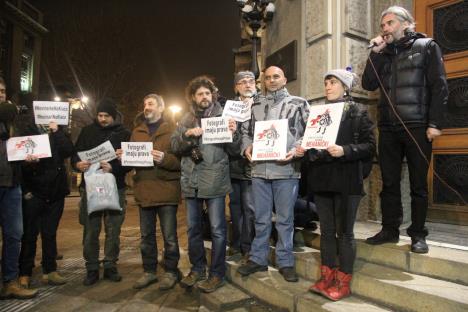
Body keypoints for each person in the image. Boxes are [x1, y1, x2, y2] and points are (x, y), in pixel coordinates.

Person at [362, 6, 448, 253]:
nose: (385, 29)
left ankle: (418, 234)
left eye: (389, 23)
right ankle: (390, 230)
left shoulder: (427, 46)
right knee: (389, 183)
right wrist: (376, 52)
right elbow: (368, 83)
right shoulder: (384, 53)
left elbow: (440, 87)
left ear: (406, 23)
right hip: (388, 128)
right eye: (382, 26)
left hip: (418, 126)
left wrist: (435, 123)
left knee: (418, 185)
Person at [299, 69, 375, 301]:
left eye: (333, 82)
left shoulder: (358, 113)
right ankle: (327, 276)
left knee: (345, 233)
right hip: (323, 180)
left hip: (347, 180)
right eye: (326, 83)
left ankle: (343, 281)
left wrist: (345, 150)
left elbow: (370, 146)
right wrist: (306, 149)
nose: (328, 87)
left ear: (345, 87)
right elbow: (312, 146)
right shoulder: (318, 113)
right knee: (327, 231)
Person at [237, 66, 310, 282]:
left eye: (276, 76)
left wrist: (297, 149)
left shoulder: (298, 103)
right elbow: (246, 132)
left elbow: (309, 132)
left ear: (284, 79)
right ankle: (258, 259)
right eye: (267, 77)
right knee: (260, 219)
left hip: (286, 170)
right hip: (259, 170)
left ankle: (285, 261)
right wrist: (246, 147)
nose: (272, 80)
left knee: (285, 220)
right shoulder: (256, 105)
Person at [171, 76, 239, 293]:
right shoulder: (186, 119)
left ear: (213, 95)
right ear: (193, 97)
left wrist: (233, 133)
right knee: (193, 230)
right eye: (200, 94)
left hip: (215, 181)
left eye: (207, 93)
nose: (204, 97)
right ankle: (198, 268)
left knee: (218, 230)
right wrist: (187, 135)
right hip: (192, 182)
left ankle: (217, 273)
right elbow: (174, 145)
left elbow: (235, 150)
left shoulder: (223, 116)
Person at [117, 94, 182, 291]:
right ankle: (149, 271)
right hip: (144, 190)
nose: (147, 107)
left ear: (161, 108)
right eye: (145, 104)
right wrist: (124, 158)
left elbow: (181, 163)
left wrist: (164, 159)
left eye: (151, 104)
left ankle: (171, 271)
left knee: (170, 237)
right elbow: (132, 162)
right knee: (146, 236)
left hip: (167, 191)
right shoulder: (137, 131)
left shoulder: (174, 130)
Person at [17, 92, 74, 288]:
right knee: (30, 233)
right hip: (34, 191)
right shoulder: (27, 131)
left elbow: (68, 151)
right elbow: (18, 161)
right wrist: (28, 167)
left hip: (56, 192)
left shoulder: (59, 132)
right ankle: (24, 272)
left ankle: (50, 270)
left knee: (50, 233)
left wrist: (57, 131)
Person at [72, 98, 131, 285]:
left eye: (107, 116)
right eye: (100, 115)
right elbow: (76, 154)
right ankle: (91, 268)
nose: (103, 119)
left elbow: (130, 161)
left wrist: (115, 168)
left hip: (116, 187)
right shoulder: (87, 131)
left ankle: (110, 265)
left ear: (114, 117)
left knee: (113, 230)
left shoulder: (124, 133)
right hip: (90, 188)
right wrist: (77, 164)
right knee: (91, 230)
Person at [0, 78, 38, 299]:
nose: (1, 94)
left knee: (14, 234)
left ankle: (10, 282)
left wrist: (28, 159)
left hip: (12, 185)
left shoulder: (13, 123)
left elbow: (17, 152)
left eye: (3, 91)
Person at [227, 71, 256, 261]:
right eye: (242, 82)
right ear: (236, 87)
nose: (247, 85)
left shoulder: (261, 104)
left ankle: (248, 246)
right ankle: (236, 244)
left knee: (250, 208)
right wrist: (231, 132)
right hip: (233, 165)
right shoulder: (229, 108)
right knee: (235, 207)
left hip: (254, 165)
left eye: (251, 81)